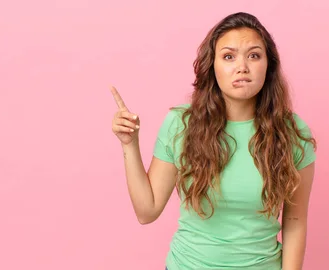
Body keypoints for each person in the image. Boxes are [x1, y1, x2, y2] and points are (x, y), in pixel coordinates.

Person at [110, 12, 317, 270]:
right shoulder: (181, 124)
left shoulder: (292, 133)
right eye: (229, 56)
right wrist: (130, 144)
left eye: (254, 55)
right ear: (213, 66)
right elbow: (147, 211)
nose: (242, 66)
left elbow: (295, 221)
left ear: (269, 65)